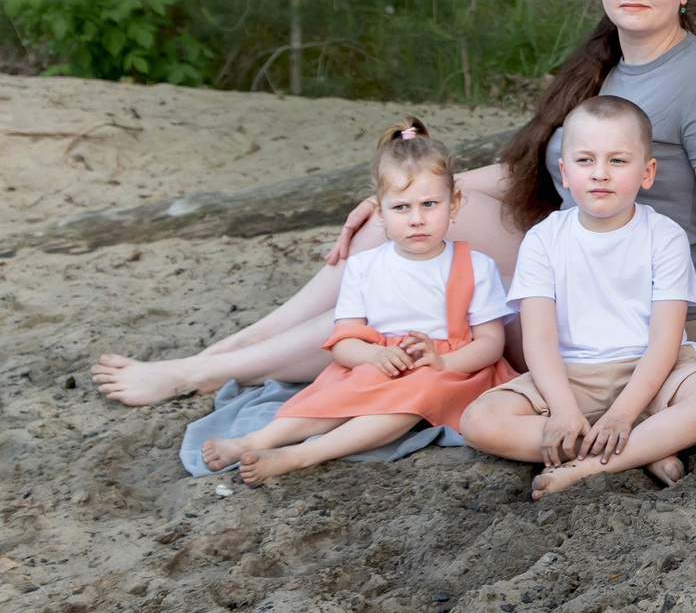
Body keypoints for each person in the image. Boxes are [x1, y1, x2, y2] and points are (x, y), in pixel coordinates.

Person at [89, 0, 696, 408]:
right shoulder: (605, 66)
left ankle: (204, 370)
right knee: (397, 233)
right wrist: (408, 196)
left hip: (637, 293)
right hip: (573, 245)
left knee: (417, 299)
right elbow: (531, 172)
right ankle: (235, 348)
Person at [458, 97, 696, 497]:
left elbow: (665, 339)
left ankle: (586, 465)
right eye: (584, 161)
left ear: (647, 173)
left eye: (617, 161)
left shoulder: (664, 237)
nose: (599, 174)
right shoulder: (544, 239)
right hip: (570, 376)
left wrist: (625, 413)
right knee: (479, 420)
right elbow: (538, 338)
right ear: (563, 172)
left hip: (653, 372)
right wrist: (561, 409)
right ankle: (646, 445)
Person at [201, 123, 514, 484]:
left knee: (416, 392)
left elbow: (490, 344)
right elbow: (344, 343)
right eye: (401, 207)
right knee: (335, 393)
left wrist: (443, 361)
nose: (416, 219)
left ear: (454, 202)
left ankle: (304, 454)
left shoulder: (476, 266)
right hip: (379, 360)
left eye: (430, 204)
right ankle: (254, 441)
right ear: (379, 212)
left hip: (452, 371)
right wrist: (374, 356)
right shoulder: (366, 267)